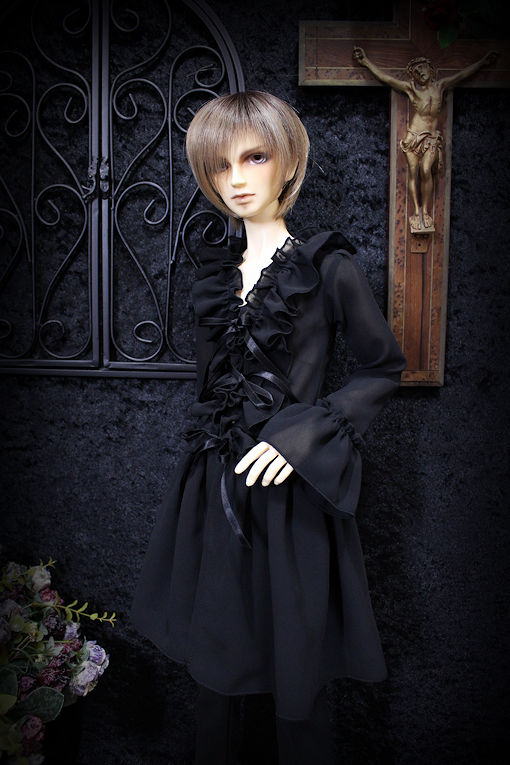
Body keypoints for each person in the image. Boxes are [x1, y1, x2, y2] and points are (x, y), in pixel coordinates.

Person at [129, 90, 407, 764]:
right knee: (215, 661)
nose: (237, 178)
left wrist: (306, 435)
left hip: (293, 493)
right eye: (220, 165)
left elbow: (382, 368)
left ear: (288, 161)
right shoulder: (213, 277)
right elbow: (212, 387)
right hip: (215, 485)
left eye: (254, 157)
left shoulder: (328, 267)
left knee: (298, 666)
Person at [353, 46, 498, 232]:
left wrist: (483, 62)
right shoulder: (411, 89)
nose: (420, 72)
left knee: (426, 169)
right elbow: (387, 78)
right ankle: (416, 210)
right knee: (413, 172)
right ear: (413, 76)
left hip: (431, 138)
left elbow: (462, 75)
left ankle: (425, 210)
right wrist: (365, 62)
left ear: (431, 69)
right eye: (416, 71)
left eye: (422, 68)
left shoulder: (440, 86)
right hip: (413, 138)